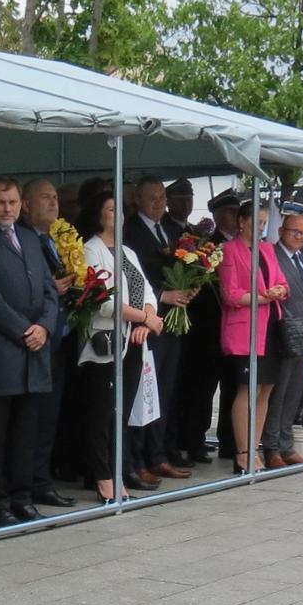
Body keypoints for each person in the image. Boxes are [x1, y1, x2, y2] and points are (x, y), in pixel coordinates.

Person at [0, 177, 61, 526]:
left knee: (25, 431)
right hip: (1, 349)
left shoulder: (31, 238)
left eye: (13, 203)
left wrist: (45, 326)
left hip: (35, 348)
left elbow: (50, 290)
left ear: (22, 205)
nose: (7, 209)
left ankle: (22, 497)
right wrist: (24, 330)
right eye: (1, 202)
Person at [78, 191, 160, 501]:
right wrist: (145, 318)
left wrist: (147, 319)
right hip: (106, 345)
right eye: (110, 209)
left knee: (121, 414)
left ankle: (117, 472)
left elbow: (147, 290)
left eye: (120, 210)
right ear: (99, 215)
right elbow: (103, 302)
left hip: (133, 343)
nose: (117, 215)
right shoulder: (91, 250)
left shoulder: (128, 251)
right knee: (102, 415)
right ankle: (102, 478)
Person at [121, 176, 195, 486]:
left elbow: (185, 262)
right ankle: (138, 459)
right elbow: (133, 276)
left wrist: (189, 287)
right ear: (137, 200)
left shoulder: (172, 230)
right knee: (144, 392)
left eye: (162, 197)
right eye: (152, 197)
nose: (159, 203)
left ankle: (159, 452)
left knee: (165, 391)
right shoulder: (130, 232)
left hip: (171, 322)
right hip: (146, 322)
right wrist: (164, 295)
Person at [217, 200, 289, 472]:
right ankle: (243, 451)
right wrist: (262, 297)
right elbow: (230, 293)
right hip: (245, 328)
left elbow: (282, 282)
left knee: (266, 388)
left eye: (263, 223)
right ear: (242, 221)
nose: (260, 228)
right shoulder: (229, 250)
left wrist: (278, 291)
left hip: (270, 324)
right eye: (256, 222)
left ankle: (254, 446)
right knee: (247, 388)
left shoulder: (267, 249)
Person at [21, 178, 78, 510]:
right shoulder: (25, 239)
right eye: (45, 198)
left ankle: (42, 481)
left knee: (50, 417)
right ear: (26, 204)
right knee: (33, 419)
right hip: (34, 338)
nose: (53, 203)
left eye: (55, 197)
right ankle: (28, 484)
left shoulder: (55, 238)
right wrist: (50, 290)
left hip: (59, 338)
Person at [175, 188, 240, 465]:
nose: (237, 219)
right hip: (207, 329)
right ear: (220, 215)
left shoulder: (240, 244)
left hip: (233, 330)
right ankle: (193, 441)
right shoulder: (205, 245)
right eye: (232, 213)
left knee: (233, 387)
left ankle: (229, 440)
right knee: (201, 390)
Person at [261, 206, 303, 467]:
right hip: (282, 334)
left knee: (294, 392)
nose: (300, 237)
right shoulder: (272, 257)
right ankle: (272, 446)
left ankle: (287, 445)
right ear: (280, 231)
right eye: (294, 231)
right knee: (279, 392)